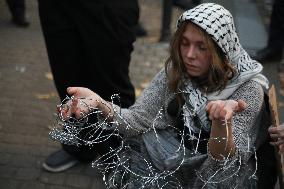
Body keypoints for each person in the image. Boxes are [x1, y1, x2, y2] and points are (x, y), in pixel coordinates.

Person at [55, 3, 274, 188]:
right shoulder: (177, 71)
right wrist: (99, 104)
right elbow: (138, 119)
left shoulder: (248, 90)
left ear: (221, 50)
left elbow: (223, 165)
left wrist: (221, 123)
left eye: (202, 47)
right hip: (185, 157)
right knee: (140, 139)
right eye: (185, 43)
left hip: (226, 178)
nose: (189, 55)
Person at [38, 0, 139, 172]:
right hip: (57, 6)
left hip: (108, 6)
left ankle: (120, 151)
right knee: (68, 79)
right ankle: (79, 145)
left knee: (112, 81)